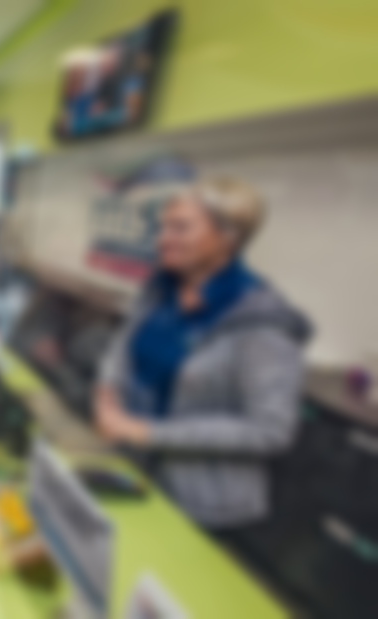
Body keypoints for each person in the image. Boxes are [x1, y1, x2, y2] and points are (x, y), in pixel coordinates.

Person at [94, 177, 312, 532]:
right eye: (162, 227)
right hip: (134, 471)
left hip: (203, 506)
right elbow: (123, 346)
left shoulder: (264, 323)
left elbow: (270, 430)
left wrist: (146, 432)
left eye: (180, 227)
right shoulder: (160, 288)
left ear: (229, 236)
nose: (162, 238)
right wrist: (106, 396)